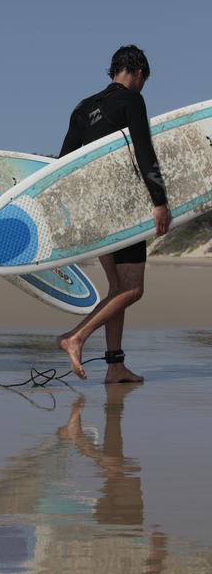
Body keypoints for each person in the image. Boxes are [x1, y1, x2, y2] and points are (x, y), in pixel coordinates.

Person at [57, 45, 171, 382]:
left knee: (116, 288)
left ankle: (115, 365)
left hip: (93, 212)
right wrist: (159, 201)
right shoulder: (131, 100)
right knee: (133, 290)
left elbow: (63, 164)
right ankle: (75, 338)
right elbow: (144, 152)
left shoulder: (82, 107)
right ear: (137, 74)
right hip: (120, 210)